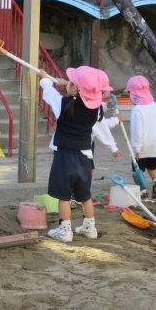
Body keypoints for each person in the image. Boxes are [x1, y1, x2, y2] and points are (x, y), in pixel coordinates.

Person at [38, 66, 112, 243]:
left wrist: (44, 78)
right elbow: (85, 97)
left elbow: (48, 93)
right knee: (84, 195)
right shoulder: (97, 109)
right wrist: (68, 85)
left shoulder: (63, 104)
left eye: (71, 82)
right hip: (85, 156)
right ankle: (90, 228)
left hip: (65, 156)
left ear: (76, 88)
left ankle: (65, 230)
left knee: (64, 196)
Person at [126, 75, 156, 199]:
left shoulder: (137, 110)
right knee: (152, 166)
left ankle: (142, 192)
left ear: (133, 94)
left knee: (138, 171)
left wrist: (136, 149)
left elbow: (137, 131)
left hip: (143, 147)